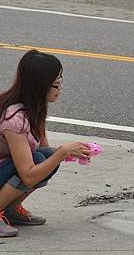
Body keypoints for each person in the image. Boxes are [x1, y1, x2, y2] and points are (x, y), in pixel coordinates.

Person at [0, 49, 91, 238]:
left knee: (46, 156)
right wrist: (63, 152)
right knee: (39, 159)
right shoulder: (15, 119)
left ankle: (11, 209)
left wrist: (70, 152)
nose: (61, 88)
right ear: (40, 87)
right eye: (56, 85)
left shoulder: (35, 108)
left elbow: (44, 150)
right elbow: (28, 176)